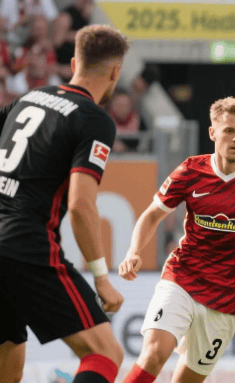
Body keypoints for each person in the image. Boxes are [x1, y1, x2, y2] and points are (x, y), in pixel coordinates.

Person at [118, 97, 235, 383]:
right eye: (229, 130)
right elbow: (152, 215)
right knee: (154, 353)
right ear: (213, 133)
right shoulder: (191, 170)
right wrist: (133, 251)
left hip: (229, 296)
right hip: (183, 277)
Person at [0, 24, 130, 383]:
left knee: (8, 362)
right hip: (28, 244)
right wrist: (101, 278)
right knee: (105, 353)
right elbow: (81, 205)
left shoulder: (28, 98)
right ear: (115, 72)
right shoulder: (94, 120)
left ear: (74, 63)